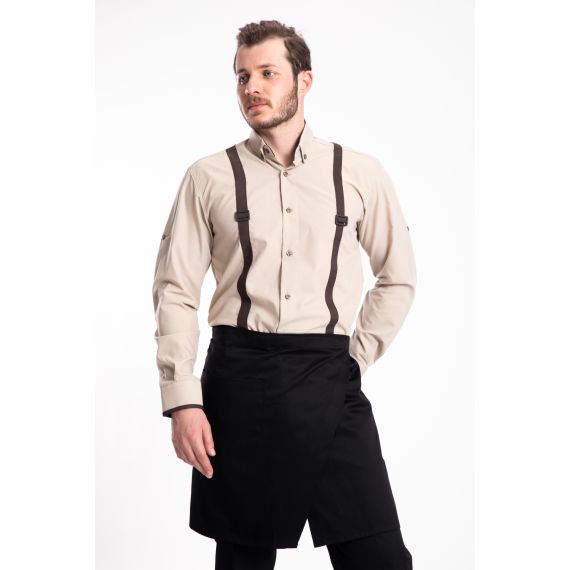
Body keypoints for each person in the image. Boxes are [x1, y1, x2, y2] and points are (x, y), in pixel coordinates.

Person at [152, 19, 416, 570]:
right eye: (242, 76)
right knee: (244, 561)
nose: (252, 87)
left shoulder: (358, 172)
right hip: (239, 381)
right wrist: (183, 398)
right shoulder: (208, 176)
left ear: (304, 80)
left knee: (379, 557)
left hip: (330, 377)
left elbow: (398, 276)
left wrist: (354, 358)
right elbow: (176, 289)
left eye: (268, 73)